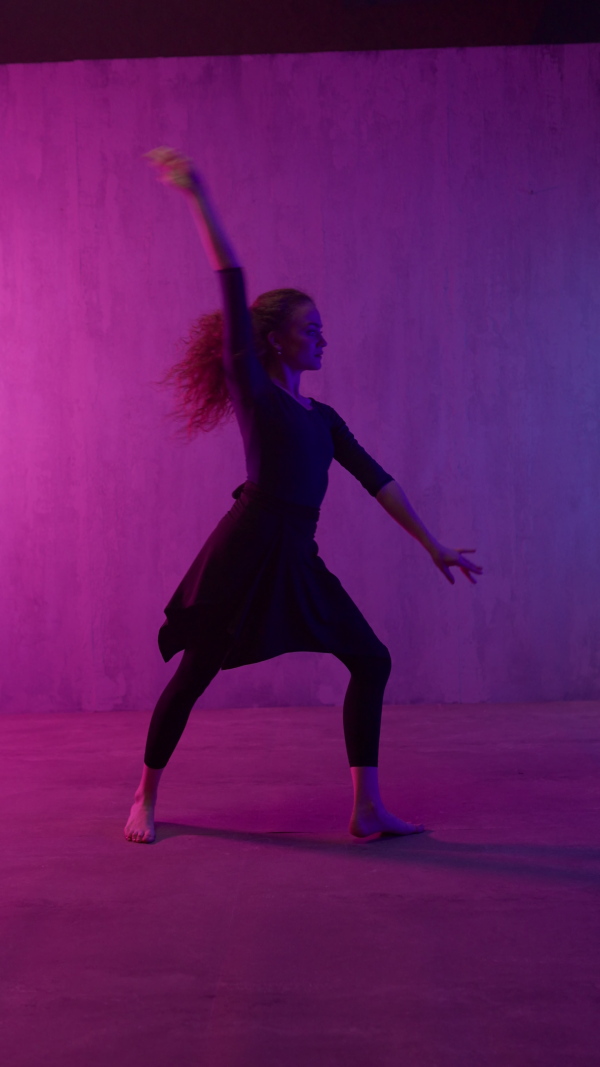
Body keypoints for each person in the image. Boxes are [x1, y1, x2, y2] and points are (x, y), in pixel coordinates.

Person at [124, 148, 482, 844]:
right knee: (196, 673)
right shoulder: (255, 393)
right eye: (310, 330)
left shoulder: (323, 420)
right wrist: (198, 194)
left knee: (371, 658)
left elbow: (380, 480)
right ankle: (144, 794)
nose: (323, 340)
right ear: (275, 339)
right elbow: (231, 280)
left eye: (322, 329)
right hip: (245, 546)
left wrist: (433, 543)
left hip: (297, 553)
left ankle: (367, 807)